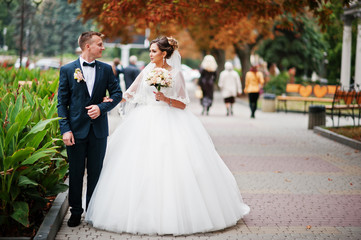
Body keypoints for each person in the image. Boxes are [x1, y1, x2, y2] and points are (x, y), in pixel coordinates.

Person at [85, 36, 250, 236]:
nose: (150, 54)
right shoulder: (146, 70)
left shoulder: (176, 74)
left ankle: (179, 216)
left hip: (171, 119)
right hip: (144, 120)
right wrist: (111, 99)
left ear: (164, 53)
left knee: (175, 164)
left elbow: (183, 103)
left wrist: (166, 98)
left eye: (154, 51)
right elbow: (130, 93)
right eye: (150, 51)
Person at [57, 31, 122, 227]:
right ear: (88, 46)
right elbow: (62, 103)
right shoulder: (68, 70)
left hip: (99, 131)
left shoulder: (106, 69)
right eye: (100, 44)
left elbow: (117, 93)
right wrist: (65, 129)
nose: (103, 48)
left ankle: (93, 211)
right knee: (76, 172)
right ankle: (75, 212)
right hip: (75, 130)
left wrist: (101, 108)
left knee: (96, 172)